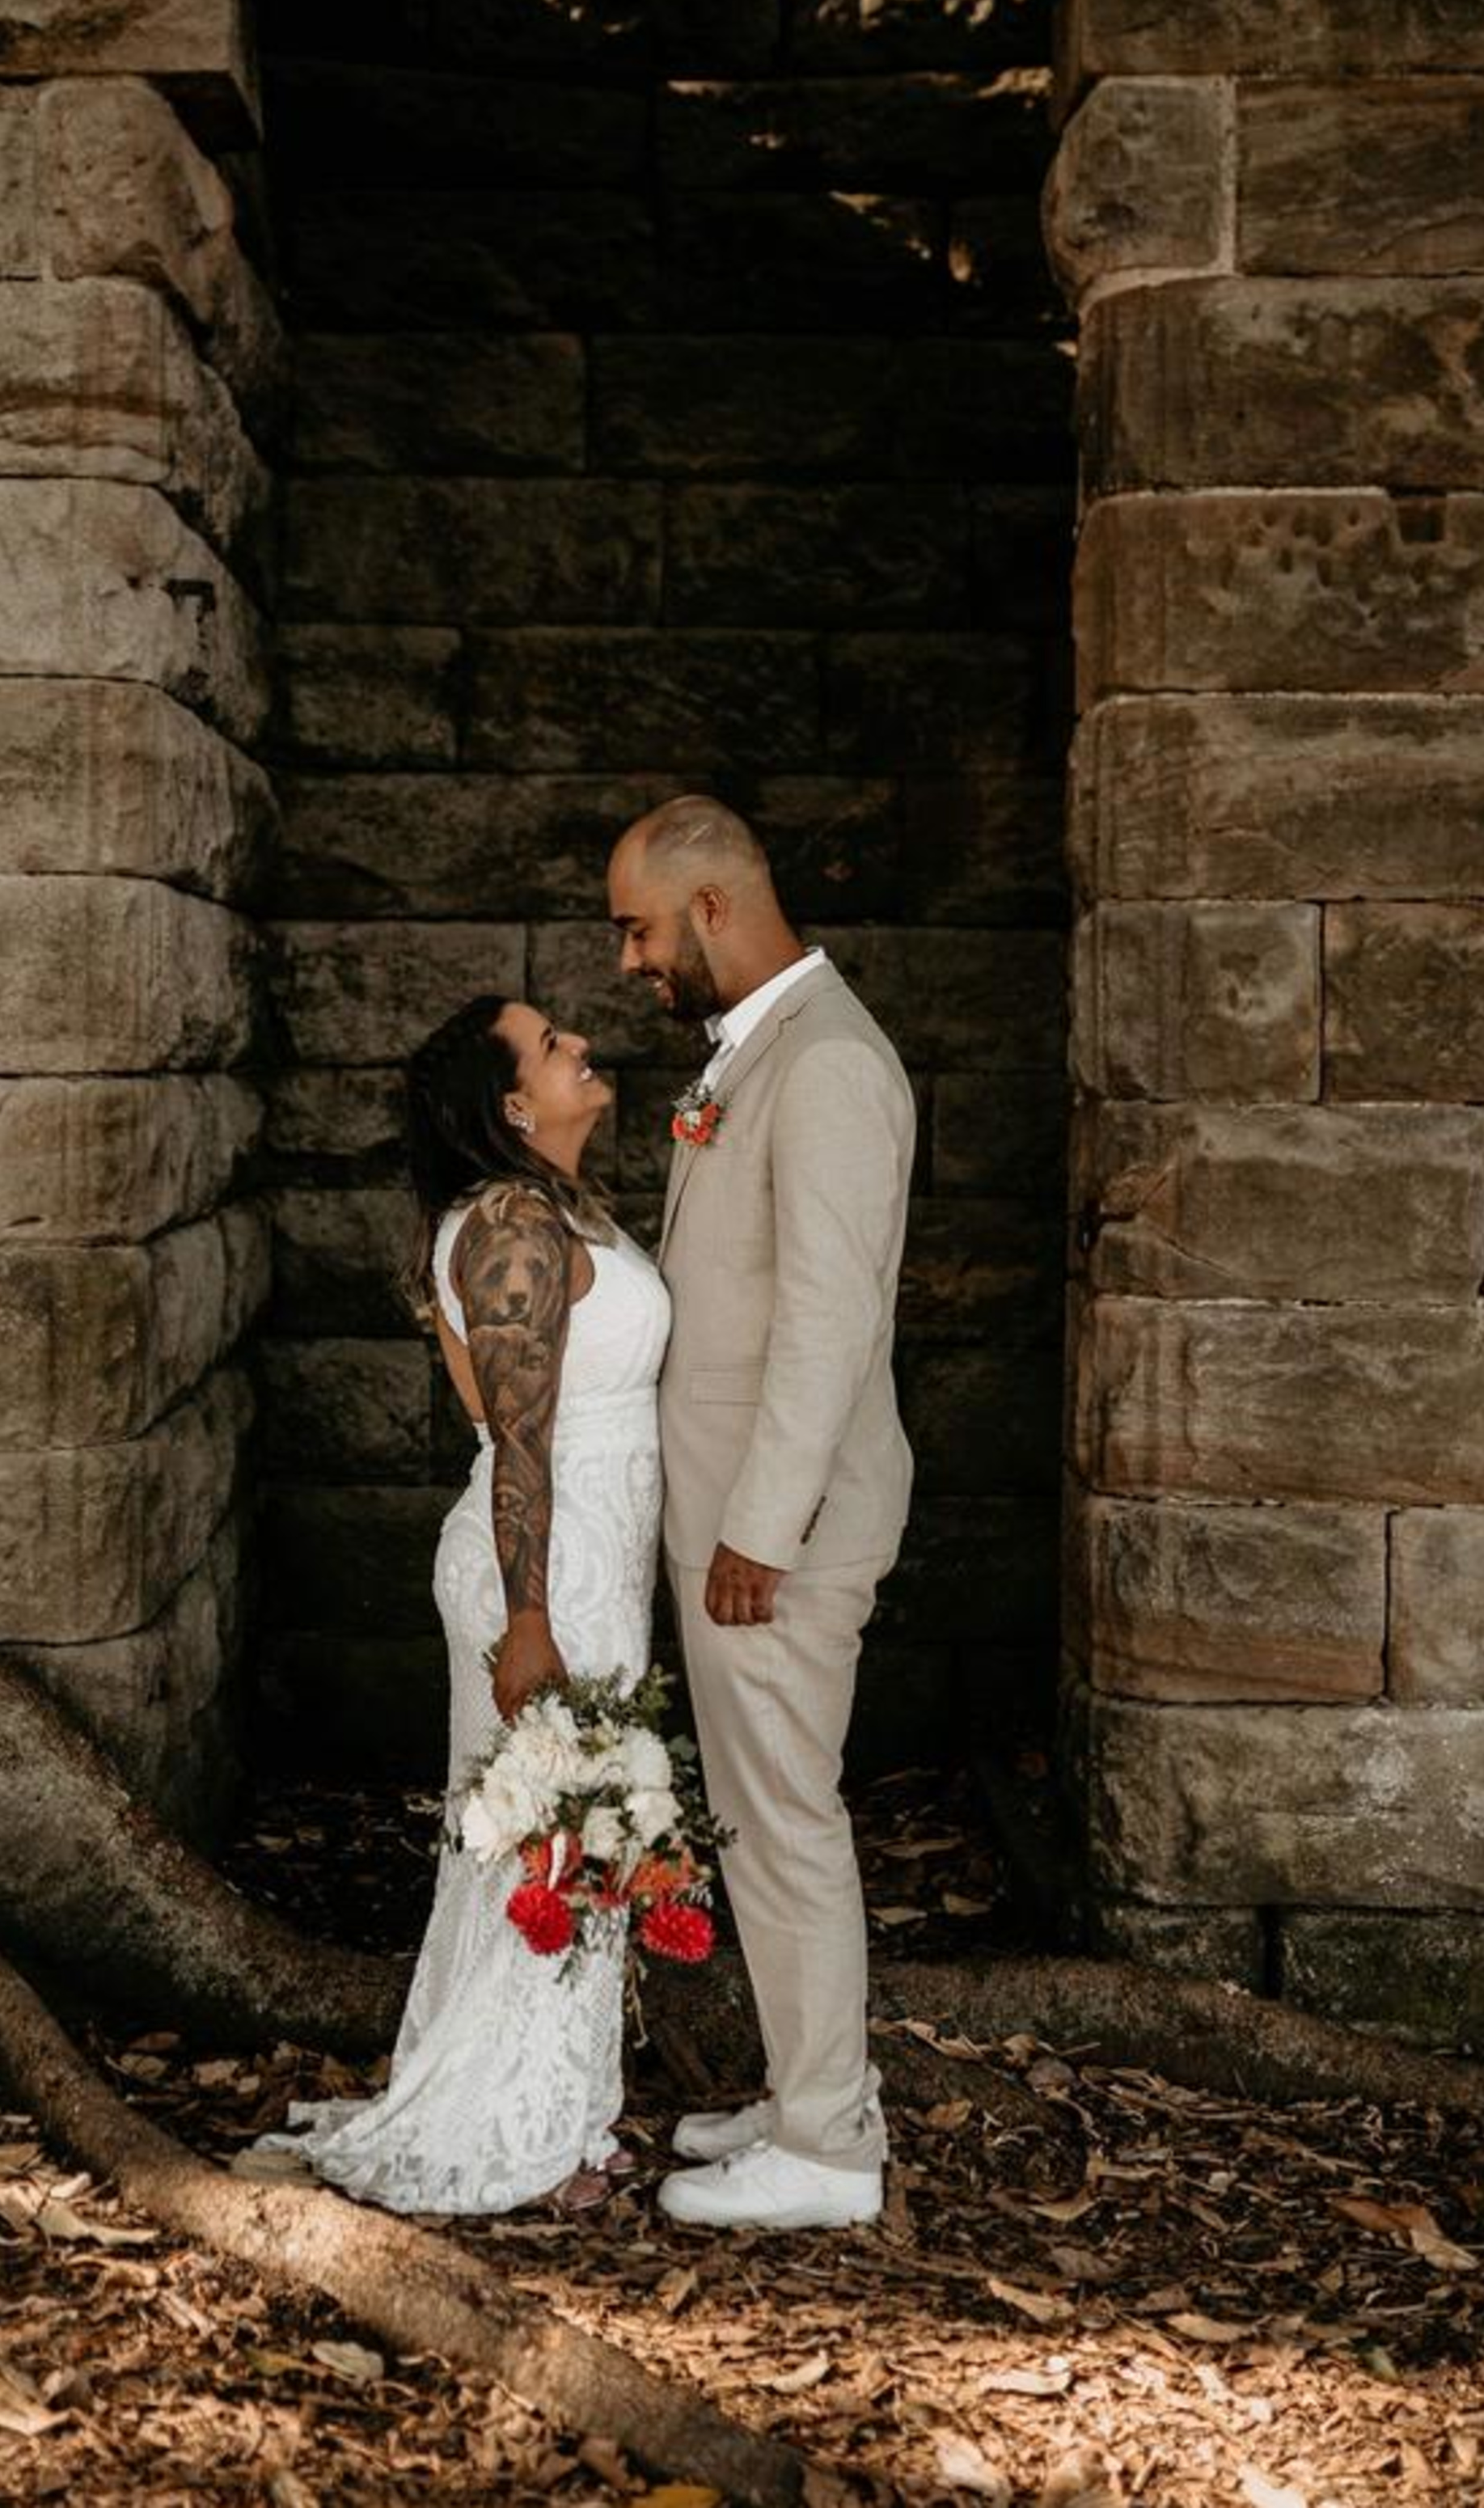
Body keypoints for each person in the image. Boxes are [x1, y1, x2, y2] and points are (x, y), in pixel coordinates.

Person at [252, 995, 670, 2215]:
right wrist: (530, 1615)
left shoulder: (548, 1209)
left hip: (583, 1552)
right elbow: (521, 1434)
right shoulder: (508, 1225)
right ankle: (523, 2129)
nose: (581, 1044)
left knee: (555, 1832)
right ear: (511, 1103)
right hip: (545, 1563)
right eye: (552, 1044)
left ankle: (557, 2105)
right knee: (553, 1834)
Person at [607, 797, 915, 2232]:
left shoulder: (834, 1064)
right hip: (735, 1515)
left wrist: (762, 1529)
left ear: (715, 908)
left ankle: (834, 2148)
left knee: (785, 1817)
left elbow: (828, 1325)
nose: (629, 960)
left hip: (773, 1529)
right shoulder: (763, 1051)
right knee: (756, 1812)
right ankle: (803, 2095)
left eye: (640, 928)